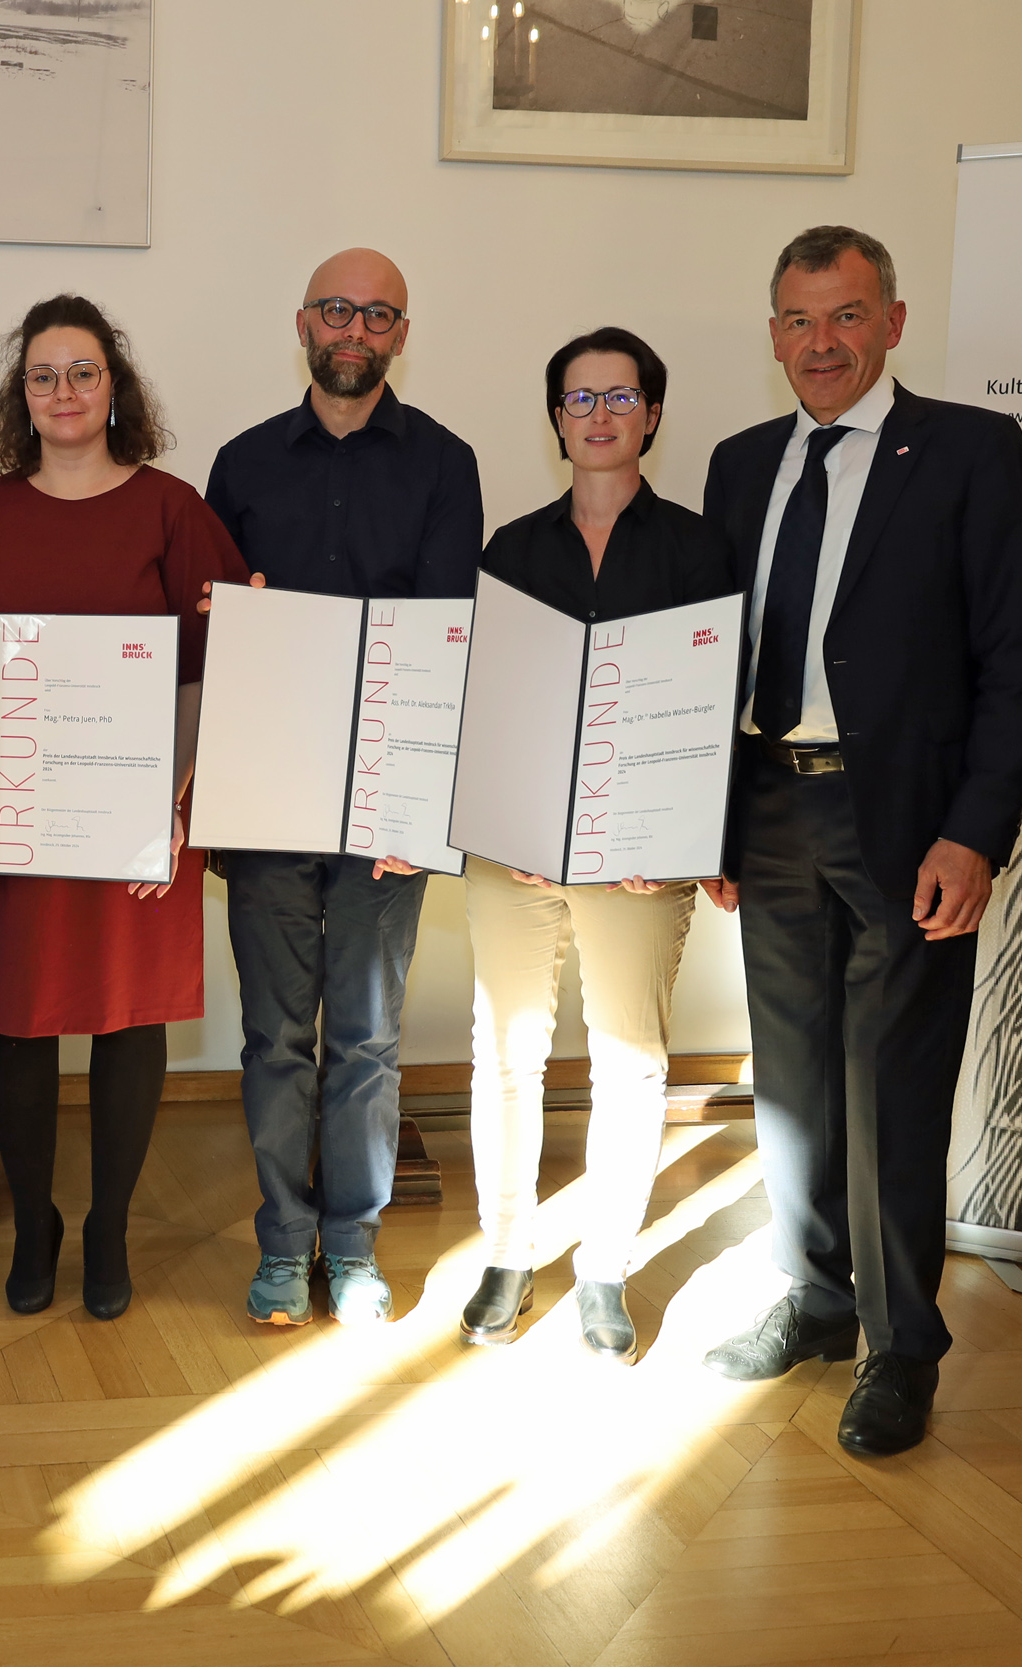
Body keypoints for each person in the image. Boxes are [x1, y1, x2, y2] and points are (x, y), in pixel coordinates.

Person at [698, 227, 1022, 1455]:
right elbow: (712, 659)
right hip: (773, 805)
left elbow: (1012, 663)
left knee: (891, 1085)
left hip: (905, 818)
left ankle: (903, 1348)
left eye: (844, 316)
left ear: (891, 322)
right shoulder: (740, 466)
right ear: (774, 333)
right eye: (796, 320)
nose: (820, 343)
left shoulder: (967, 450)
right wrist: (711, 816)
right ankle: (817, 1300)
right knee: (790, 1081)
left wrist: (974, 831)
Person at [0, 294, 248, 1320]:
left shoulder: (171, 507)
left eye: (82, 371)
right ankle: (36, 1223)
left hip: (140, 813)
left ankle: (106, 1226)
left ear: (115, 386)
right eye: (41, 375)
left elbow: (214, 662)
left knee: (127, 1019)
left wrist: (180, 795)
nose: (62, 391)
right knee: (16, 1027)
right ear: (18, 397)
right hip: (9, 822)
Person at [199, 249, 482, 1328]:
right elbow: (218, 629)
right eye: (335, 309)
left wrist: (420, 804)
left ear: (401, 333)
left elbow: (447, 634)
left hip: (386, 804)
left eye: (376, 313)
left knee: (363, 1036)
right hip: (270, 794)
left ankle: (353, 1248)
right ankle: (282, 1243)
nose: (353, 329)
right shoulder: (241, 463)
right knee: (275, 1037)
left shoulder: (445, 465)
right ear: (303, 323)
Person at [457, 328, 736, 1363]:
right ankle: (504, 1251)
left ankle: (603, 1268)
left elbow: (712, 709)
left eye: (620, 396)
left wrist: (682, 839)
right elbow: (492, 699)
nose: (599, 414)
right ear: (556, 419)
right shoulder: (510, 548)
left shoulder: (701, 549)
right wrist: (512, 818)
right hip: (517, 852)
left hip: (641, 859)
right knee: (506, 1055)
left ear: (651, 414)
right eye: (578, 398)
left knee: (628, 1061)